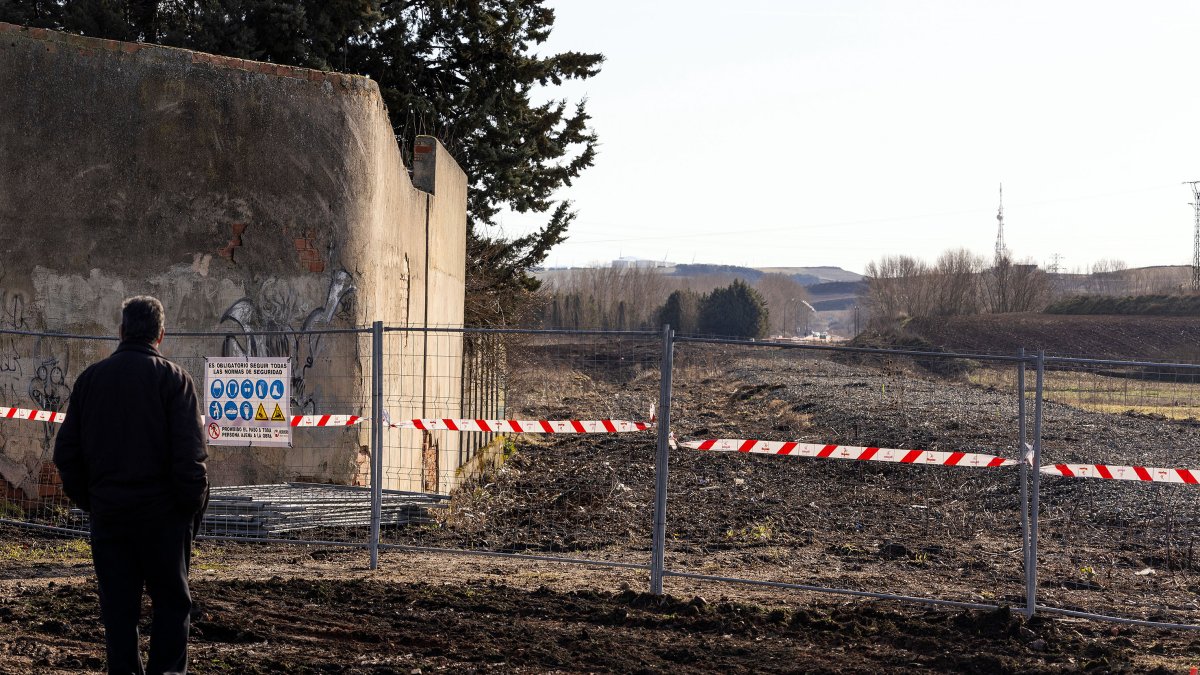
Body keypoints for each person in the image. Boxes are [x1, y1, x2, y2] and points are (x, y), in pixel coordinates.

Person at [54, 296, 208, 675]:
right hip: (164, 520)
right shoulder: (175, 380)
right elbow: (191, 461)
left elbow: (66, 455)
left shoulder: (91, 380)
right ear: (161, 334)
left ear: (121, 331)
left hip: (111, 516)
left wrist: (93, 501)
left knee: (119, 613)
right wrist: (189, 510)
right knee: (172, 606)